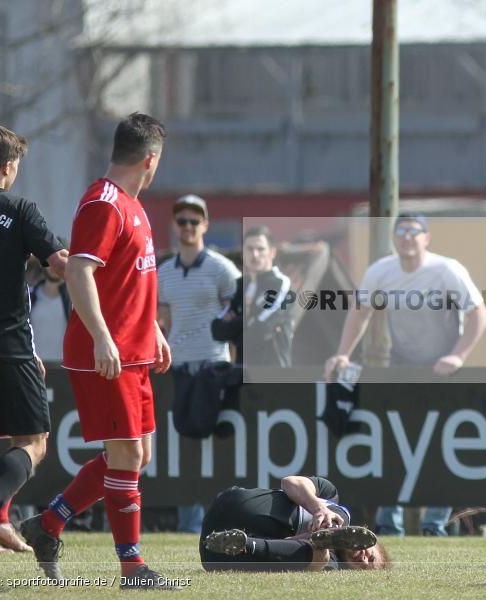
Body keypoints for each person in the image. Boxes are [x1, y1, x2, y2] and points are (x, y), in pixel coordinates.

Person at [18, 113, 177, 590]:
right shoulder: (103, 203)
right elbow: (79, 272)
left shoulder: (133, 205)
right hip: (106, 353)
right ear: (150, 160)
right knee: (127, 454)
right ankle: (133, 570)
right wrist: (105, 337)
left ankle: (47, 525)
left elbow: (129, 282)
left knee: (137, 454)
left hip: (134, 350)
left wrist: (154, 330)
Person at [324, 214, 486, 537]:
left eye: (415, 232)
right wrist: (343, 352)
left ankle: (434, 524)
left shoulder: (447, 269)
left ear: (426, 238)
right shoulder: (381, 271)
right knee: (397, 444)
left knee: (443, 446)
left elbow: (478, 313)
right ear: (394, 239)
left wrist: (457, 355)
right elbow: (360, 313)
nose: (407, 237)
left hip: (442, 372)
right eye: (401, 231)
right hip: (401, 368)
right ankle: (390, 522)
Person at [0, 125, 67, 574]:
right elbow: (59, 265)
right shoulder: (20, 209)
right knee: (34, 443)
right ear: (8, 168)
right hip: (8, 343)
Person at [156, 194, 240, 531]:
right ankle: (190, 523)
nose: (188, 227)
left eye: (195, 221)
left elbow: (238, 316)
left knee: (215, 449)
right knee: (184, 449)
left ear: (205, 224)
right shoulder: (164, 272)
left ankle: (219, 519)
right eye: (182, 221)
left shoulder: (222, 268)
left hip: (213, 366)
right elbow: (161, 319)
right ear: (175, 227)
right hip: (178, 367)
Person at [200, 475, 387, 571]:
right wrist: (318, 509)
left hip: (216, 556)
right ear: (369, 535)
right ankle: (328, 534)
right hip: (230, 506)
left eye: (363, 566)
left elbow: (295, 553)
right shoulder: (331, 495)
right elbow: (290, 482)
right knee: (338, 518)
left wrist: (305, 540)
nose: (363, 559)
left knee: (320, 559)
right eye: (370, 558)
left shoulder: (334, 566)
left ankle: (242, 544)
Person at [211, 224, 293, 367]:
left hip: (273, 376)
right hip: (242, 375)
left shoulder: (281, 284)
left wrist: (235, 324)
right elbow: (217, 330)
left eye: (260, 249)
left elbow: (261, 331)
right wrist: (248, 321)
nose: (255, 254)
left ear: (272, 252)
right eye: (250, 249)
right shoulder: (239, 285)